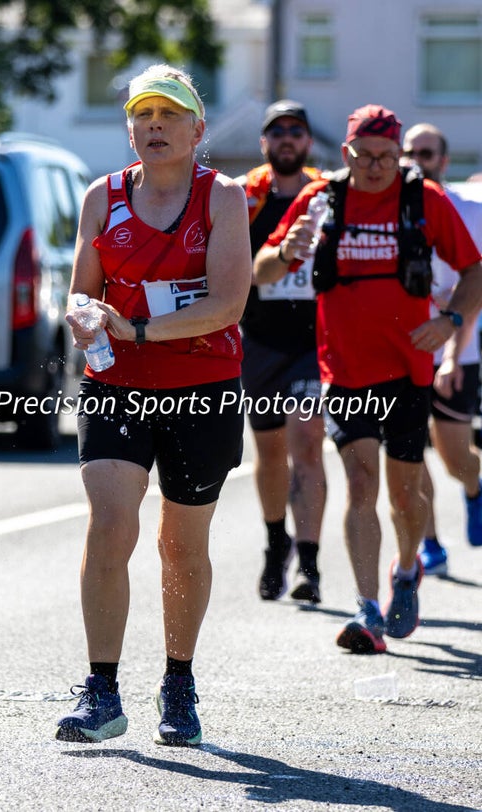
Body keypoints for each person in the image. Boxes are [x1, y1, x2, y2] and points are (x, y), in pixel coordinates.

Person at [54, 64, 251, 745]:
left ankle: (178, 681)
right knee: (111, 524)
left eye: (168, 114)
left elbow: (228, 303)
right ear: (129, 130)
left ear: (197, 129)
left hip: (202, 388)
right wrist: (82, 317)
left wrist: (136, 328)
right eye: (142, 115)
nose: (154, 125)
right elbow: (81, 291)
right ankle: (101, 691)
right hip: (117, 387)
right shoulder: (101, 196)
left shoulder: (223, 197)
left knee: (179, 545)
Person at [254, 104, 482, 654]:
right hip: (344, 371)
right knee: (360, 484)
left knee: (406, 497)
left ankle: (405, 572)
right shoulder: (322, 199)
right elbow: (261, 272)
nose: (378, 167)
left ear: (399, 154)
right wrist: (287, 250)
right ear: (347, 152)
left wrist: (449, 323)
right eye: (366, 156)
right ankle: (367, 607)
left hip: (408, 369)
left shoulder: (423, 200)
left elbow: (475, 269)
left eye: (388, 157)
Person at [236, 100, 326, 604]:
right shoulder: (245, 197)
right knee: (269, 453)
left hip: (314, 344)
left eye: (296, 130)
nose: (287, 138)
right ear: (265, 143)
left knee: (307, 444)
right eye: (277, 131)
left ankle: (309, 565)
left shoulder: (326, 196)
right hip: (260, 341)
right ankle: (276, 543)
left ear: (308, 141)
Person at [402, 123, 482, 574]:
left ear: (444, 161)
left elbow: (474, 292)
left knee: (454, 457)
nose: (416, 160)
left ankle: (474, 485)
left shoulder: (470, 210)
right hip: (404, 353)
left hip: (458, 350)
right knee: (410, 452)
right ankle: (430, 541)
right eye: (409, 151)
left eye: (426, 153)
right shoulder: (385, 209)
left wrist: (452, 354)